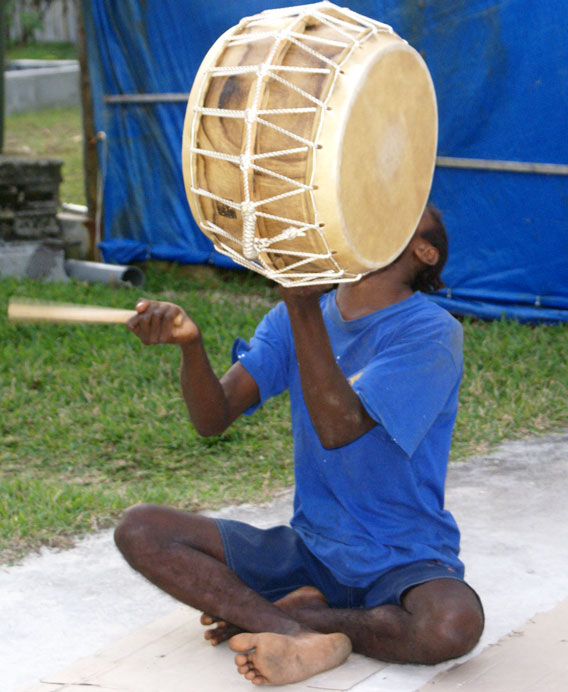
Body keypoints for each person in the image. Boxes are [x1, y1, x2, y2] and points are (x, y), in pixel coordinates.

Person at [115, 205, 484, 686]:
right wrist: (191, 344)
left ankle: (295, 618)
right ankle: (295, 630)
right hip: (310, 548)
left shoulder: (431, 332)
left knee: (453, 624)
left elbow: (339, 427)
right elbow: (212, 417)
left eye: (403, 206)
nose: (375, 201)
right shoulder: (295, 317)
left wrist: (302, 304)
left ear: (424, 251)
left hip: (403, 554)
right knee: (140, 528)